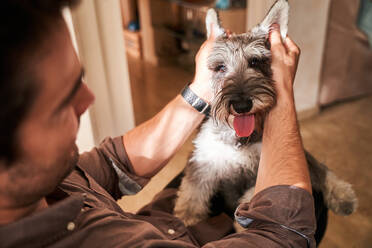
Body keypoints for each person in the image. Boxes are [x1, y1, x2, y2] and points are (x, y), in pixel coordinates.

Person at [0, 1, 316, 247]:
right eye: (62, 101)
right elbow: (286, 236)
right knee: (314, 201)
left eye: (78, 81)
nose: (89, 100)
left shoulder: (46, 180)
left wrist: (201, 89)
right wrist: (281, 95)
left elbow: (111, 165)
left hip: (172, 215)